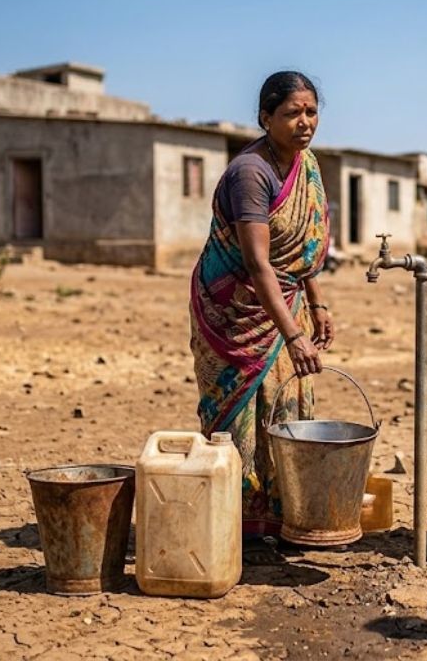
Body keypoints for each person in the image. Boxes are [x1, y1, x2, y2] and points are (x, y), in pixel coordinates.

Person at [189, 71, 333, 538]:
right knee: (240, 411)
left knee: (287, 401)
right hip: (235, 311)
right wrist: (294, 334)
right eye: (292, 113)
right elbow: (258, 264)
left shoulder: (305, 165)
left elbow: (303, 248)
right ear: (265, 118)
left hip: (282, 298)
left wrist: (318, 305)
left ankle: (280, 516)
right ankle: (236, 525)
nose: (304, 122)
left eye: (311, 112)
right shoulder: (250, 174)